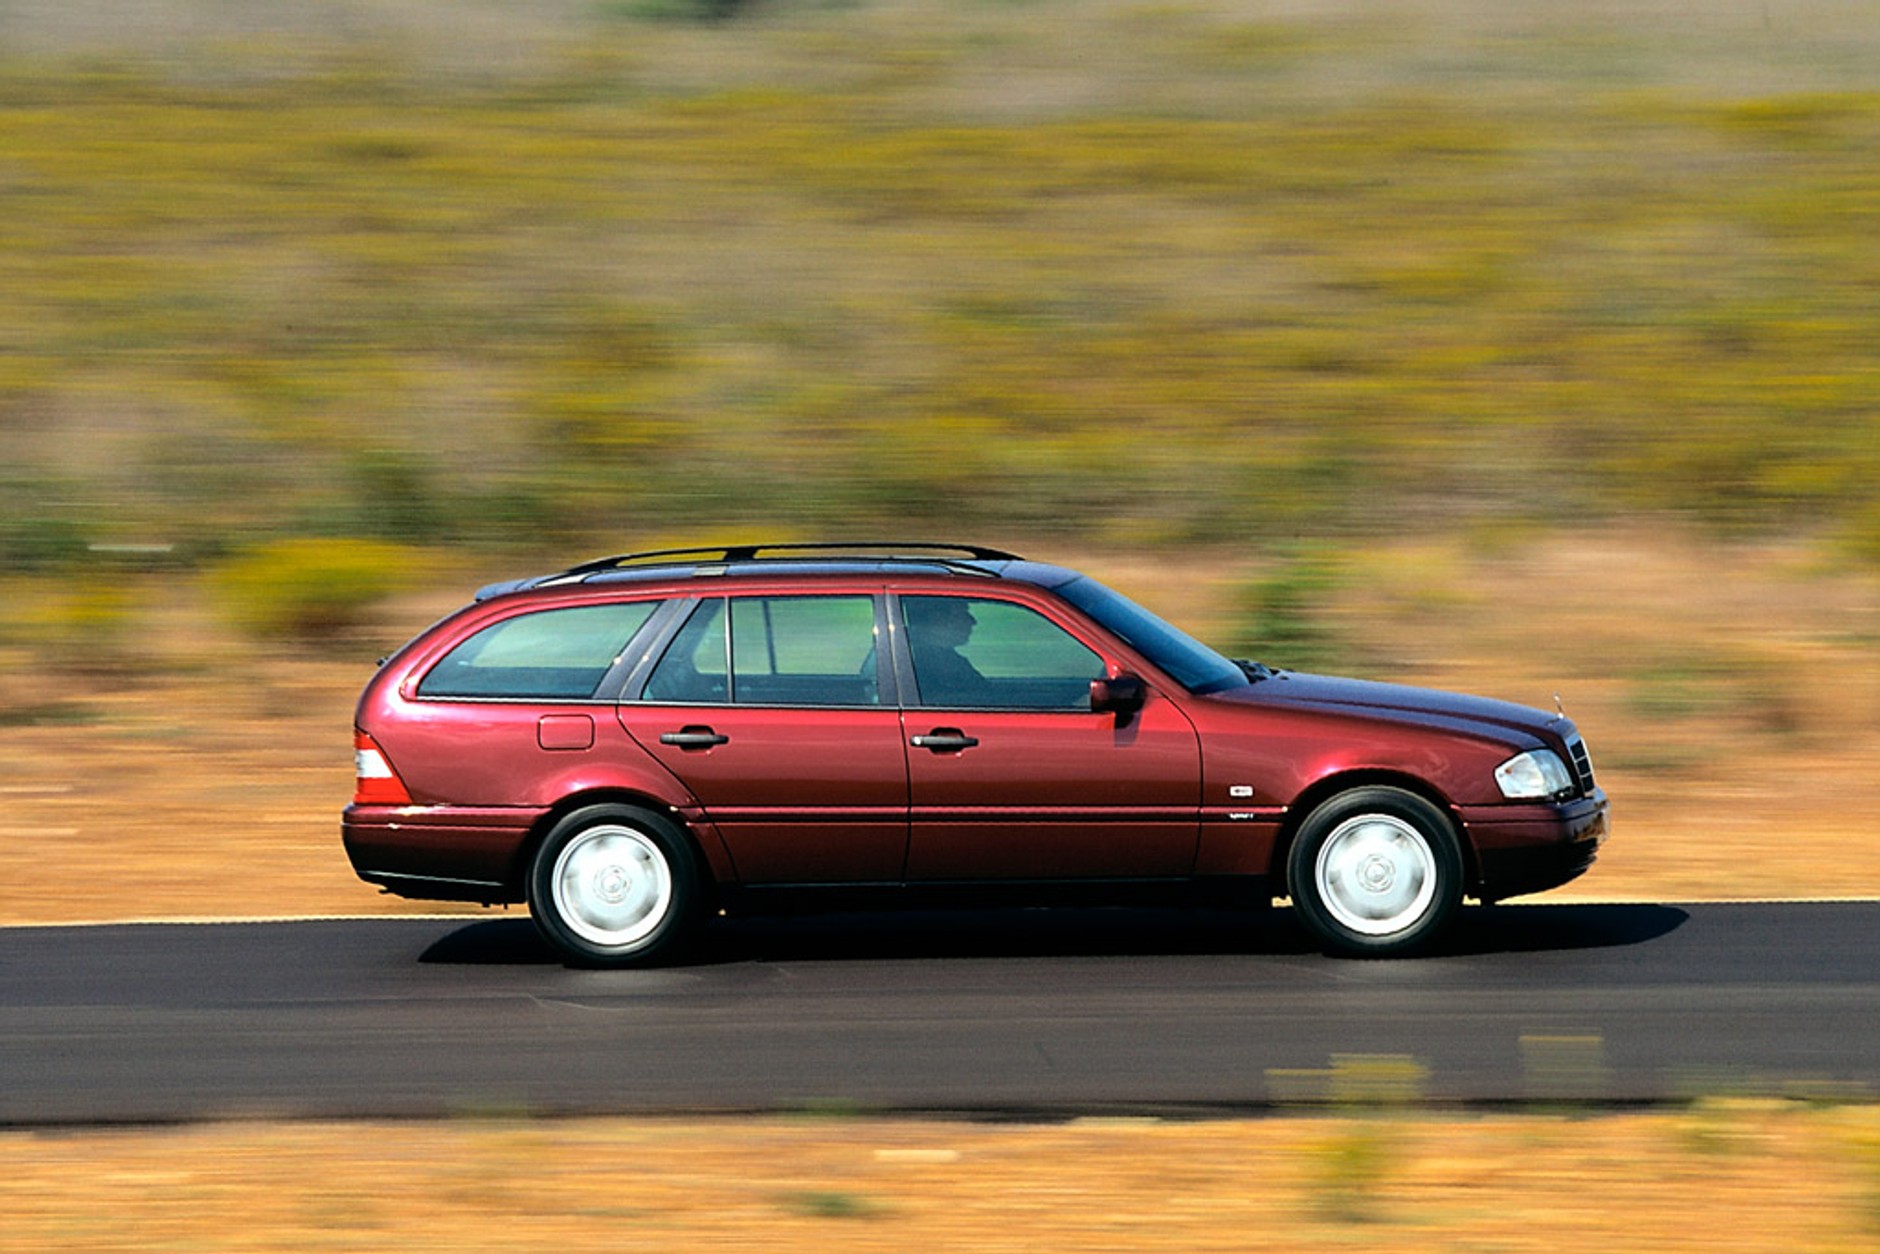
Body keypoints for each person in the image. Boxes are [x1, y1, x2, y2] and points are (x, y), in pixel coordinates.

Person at [903, 597, 989, 706]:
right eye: (962, 613)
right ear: (938, 619)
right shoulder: (937, 667)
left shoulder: (946, 661)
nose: (972, 621)